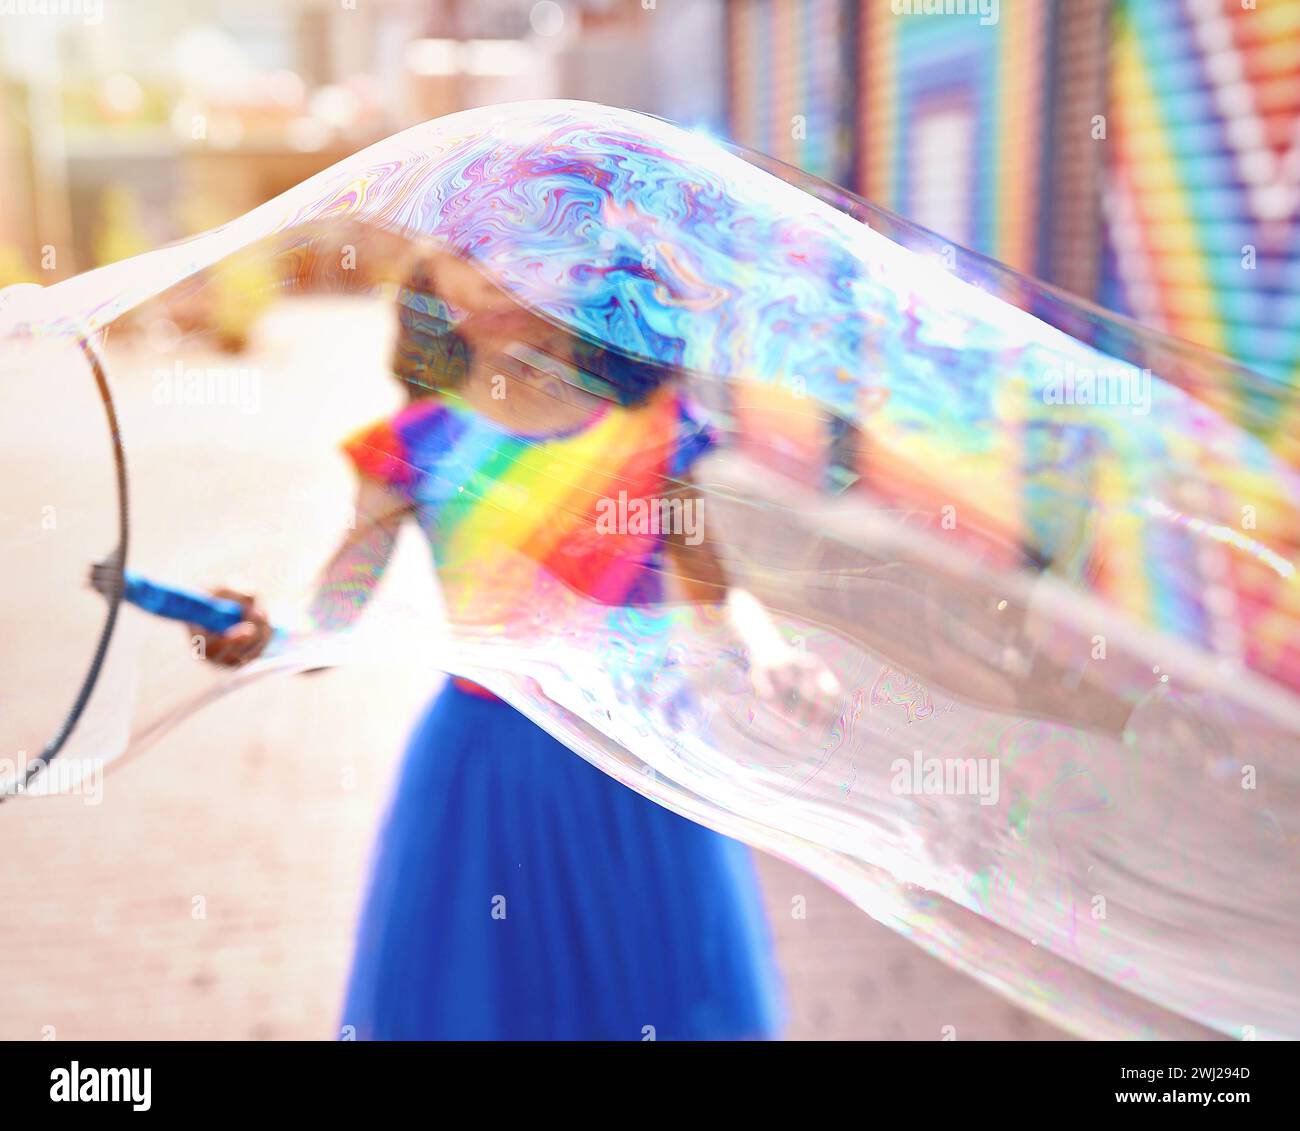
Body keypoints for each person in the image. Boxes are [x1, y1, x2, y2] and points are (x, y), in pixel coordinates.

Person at [196, 247, 841, 1039]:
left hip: (638, 767)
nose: (492, 279)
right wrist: (264, 634)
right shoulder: (411, 445)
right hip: (488, 780)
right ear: (428, 279)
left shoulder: (653, 428)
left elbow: (714, 588)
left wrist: (769, 652)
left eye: (525, 250)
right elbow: (331, 621)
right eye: (465, 256)